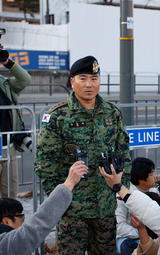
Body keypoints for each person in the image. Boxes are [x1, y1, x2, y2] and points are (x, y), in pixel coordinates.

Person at [34, 55, 131, 254]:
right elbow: (45, 162)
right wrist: (59, 199)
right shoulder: (57, 116)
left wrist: (123, 187)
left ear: (99, 81)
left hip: (105, 207)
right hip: (72, 210)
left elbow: (123, 151)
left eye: (94, 79)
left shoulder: (112, 113)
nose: (89, 84)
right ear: (72, 82)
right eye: (83, 79)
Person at [0, 161, 88, 255]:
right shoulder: (6, 246)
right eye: (21, 217)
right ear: (6, 221)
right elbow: (38, 224)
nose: (24, 222)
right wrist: (69, 183)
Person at [0, 49, 31, 198]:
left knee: (10, 191)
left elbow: (25, 80)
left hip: (7, 146)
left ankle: (9, 219)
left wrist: (7, 62)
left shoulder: (4, 82)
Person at [116, 157, 159, 254]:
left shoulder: (156, 190)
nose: (156, 176)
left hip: (153, 235)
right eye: (152, 174)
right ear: (141, 180)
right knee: (125, 246)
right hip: (130, 237)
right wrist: (143, 232)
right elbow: (120, 228)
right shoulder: (122, 195)